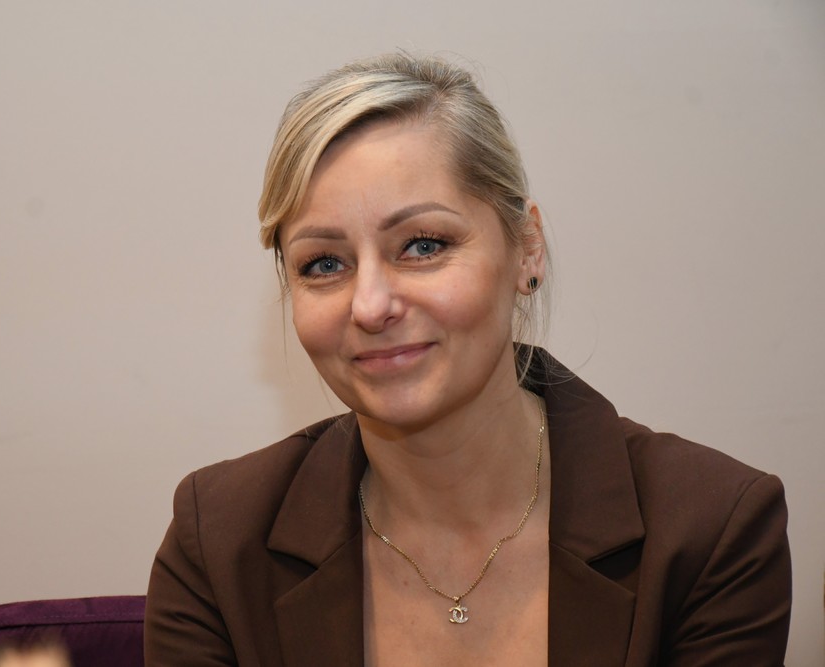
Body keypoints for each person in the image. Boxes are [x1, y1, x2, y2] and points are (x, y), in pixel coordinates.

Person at [145, 53, 791, 666]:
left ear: (527, 248)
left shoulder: (711, 527)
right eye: (324, 263)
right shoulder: (219, 538)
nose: (370, 305)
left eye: (423, 245)